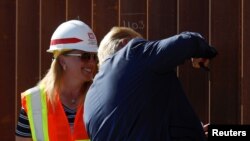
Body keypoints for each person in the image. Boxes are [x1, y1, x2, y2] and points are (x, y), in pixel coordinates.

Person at [84, 27, 217, 141]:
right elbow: (189, 41)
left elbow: (141, 124)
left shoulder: (89, 104)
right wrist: (204, 52)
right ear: (125, 43)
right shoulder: (131, 53)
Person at [15, 20, 98, 141]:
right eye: (85, 56)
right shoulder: (34, 102)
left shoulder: (100, 98)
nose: (92, 62)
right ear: (62, 61)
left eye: (94, 56)